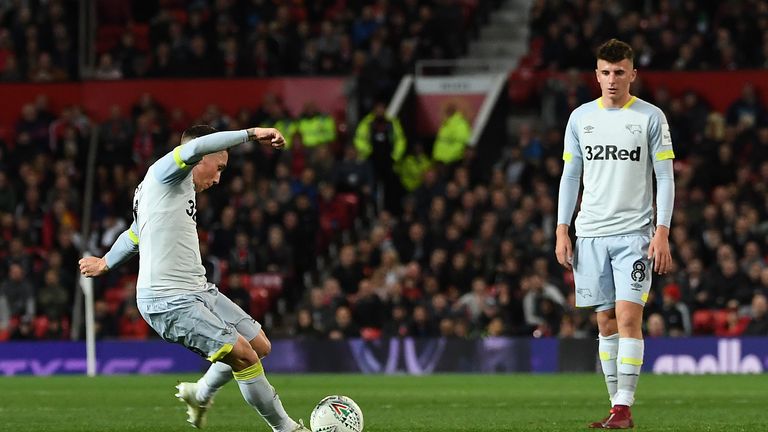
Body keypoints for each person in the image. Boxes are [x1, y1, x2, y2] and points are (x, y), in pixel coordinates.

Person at [79, 125, 309, 432]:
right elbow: (196, 147)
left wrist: (106, 262)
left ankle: (199, 393)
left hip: (198, 289)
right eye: (218, 168)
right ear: (201, 155)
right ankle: (287, 429)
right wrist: (253, 134)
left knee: (259, 345)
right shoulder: (165, 172)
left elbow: (135, 234)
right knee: (243, 356)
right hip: (167, 298)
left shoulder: (169, 189)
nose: (217, 179)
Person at [555, 39, 675, 429]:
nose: (611, 79)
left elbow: (664, 177)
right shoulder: (580, 118)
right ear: (596, 74)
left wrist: (662, 231)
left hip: (633, 236)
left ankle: (624, 407)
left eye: (619, 72)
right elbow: (571, 175)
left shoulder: (650, 117)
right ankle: (615, 406)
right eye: (605, 72)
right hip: (589, 234)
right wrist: (562, 228)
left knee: (627, 318)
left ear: (632, 74)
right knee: (605, 322)